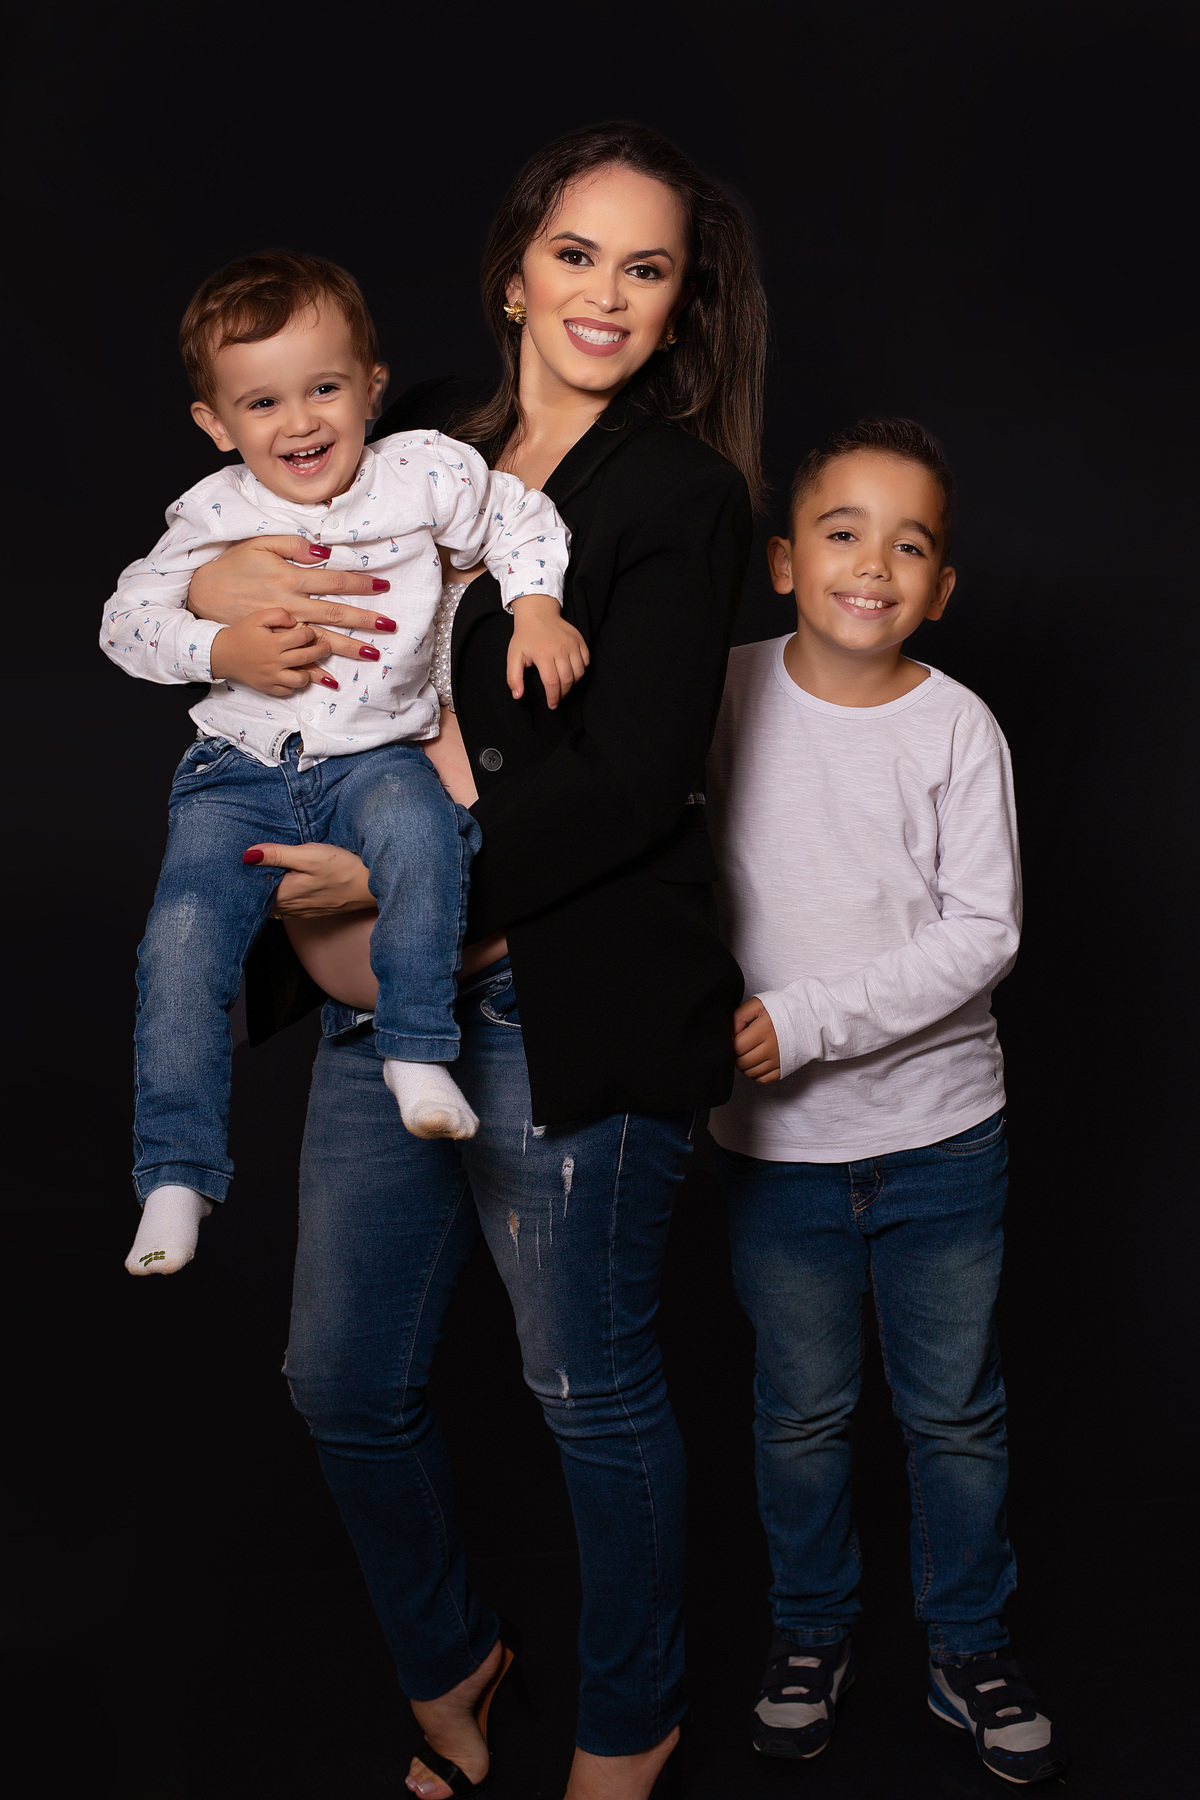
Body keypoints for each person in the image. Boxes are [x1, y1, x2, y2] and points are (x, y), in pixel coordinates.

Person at [180, 125, 767, 1800]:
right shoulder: (408, 429)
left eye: (646, 268)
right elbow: (255, 571)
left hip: (550, 1012)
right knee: (341, 1382)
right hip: (375, 1024)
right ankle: (454, 1657)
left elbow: (632, 782)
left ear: (679, 305)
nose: (606, 293)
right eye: (577, 253)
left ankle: (630, 1720)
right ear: (516, 270)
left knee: (590, 1392)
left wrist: (402, 876)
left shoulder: (683, 497)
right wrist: (227, 613)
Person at [705, 418, 1067, 1785]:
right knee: (800, 1416)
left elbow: (984, 934)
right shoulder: (720, 693)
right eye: (842, 533)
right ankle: (811, 1631)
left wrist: (804, 1021)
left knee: (953, 1415)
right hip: (774, 1153)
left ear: (942, 588)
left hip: (940, 1142)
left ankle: (969, 1643)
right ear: (784, 562)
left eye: (908, 545)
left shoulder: (956, 726)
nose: (873, 565)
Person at [103, 250, 579, 1278]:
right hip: (237, 769)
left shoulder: (422, 471)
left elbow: (521, 518)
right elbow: (124, 622)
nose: (299, 423)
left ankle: (415, 1050)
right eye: (262, 403)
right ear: (217, 424)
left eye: (324, 389)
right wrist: (219, 648)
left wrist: (536, 606)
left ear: (371, 386)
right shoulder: (213, 514)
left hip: (376, 757)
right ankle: (175, 1173)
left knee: (429, 836)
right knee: (179, 941)